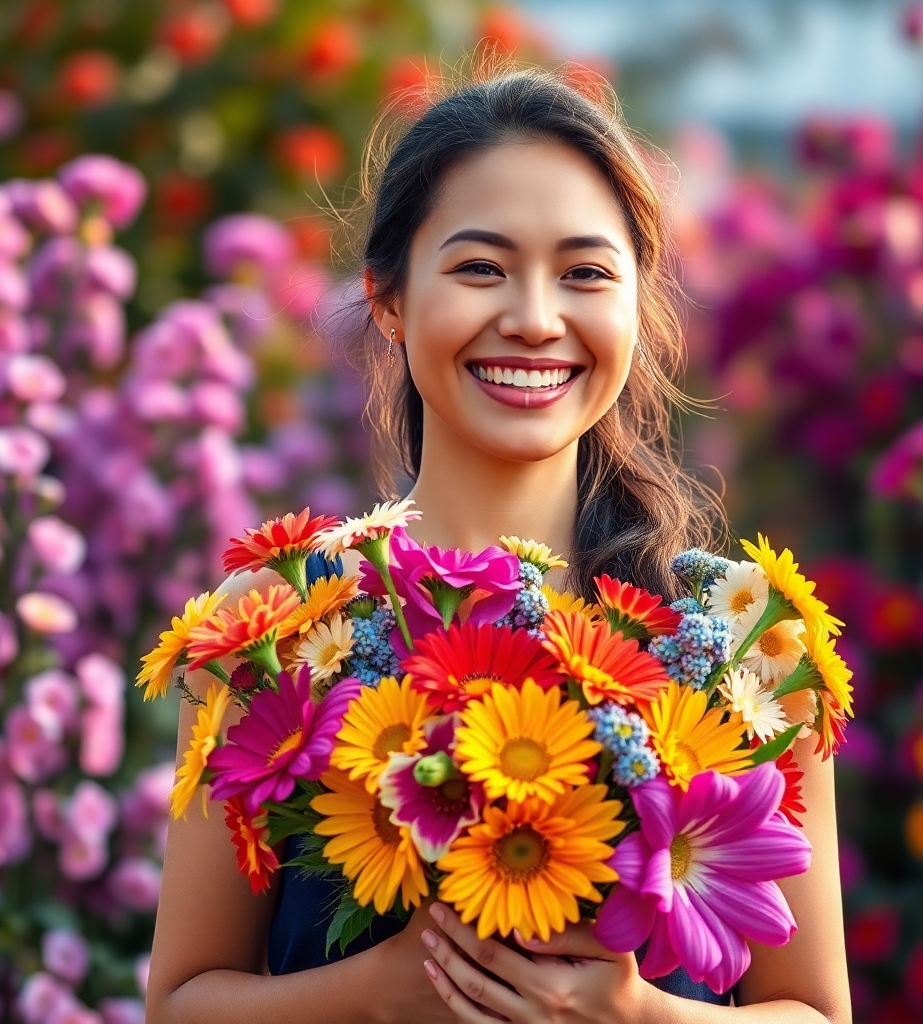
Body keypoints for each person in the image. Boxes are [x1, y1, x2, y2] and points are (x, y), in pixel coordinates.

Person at [145, 61, 851, 1024]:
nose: (532, 318)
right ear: (387, 300)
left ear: (639, 306)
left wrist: (639, 1015)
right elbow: (181, 1003)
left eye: (586, 274)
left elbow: (815, 1013)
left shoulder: (746, 646)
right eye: (480, 267)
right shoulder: (278, 624)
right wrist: (380, 994)